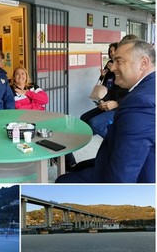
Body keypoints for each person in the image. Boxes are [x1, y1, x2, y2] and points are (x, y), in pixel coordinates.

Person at [56, 39, 155, 183]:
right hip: (111, 158)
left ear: (143, 63)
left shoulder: (140, 104)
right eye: (113, 60)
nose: (113, 67)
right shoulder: (147, 88)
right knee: (78, 167)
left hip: (132, 176)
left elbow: (122, 178)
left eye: (119, 61)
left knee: (62, 181)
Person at [80, 42, 129, 138]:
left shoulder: (126, 70)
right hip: (108, 99)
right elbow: (107, 85)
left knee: (95, 123)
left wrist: (117, 103)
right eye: (110, 51)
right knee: (84, 119)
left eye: (115, 50)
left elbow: (130, 93)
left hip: (119, 106)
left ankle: (115, 143)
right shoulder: (109, 64)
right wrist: (103, 100)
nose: (112, 53)